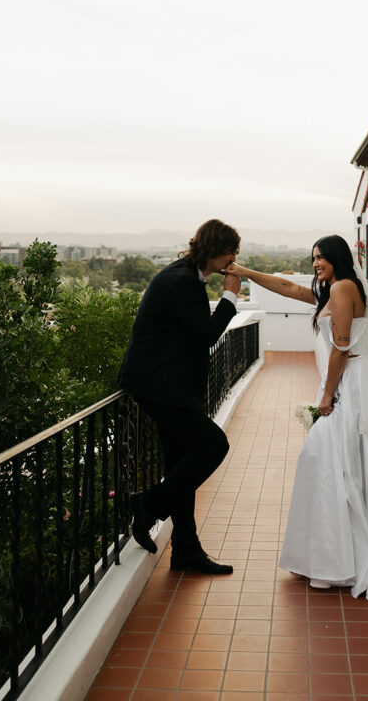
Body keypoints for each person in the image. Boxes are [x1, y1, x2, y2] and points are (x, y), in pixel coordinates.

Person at [226, 234, 368, 599]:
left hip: (349, 390)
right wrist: (243, 272)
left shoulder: (342, 289)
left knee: (328, 462)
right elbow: (290, 289)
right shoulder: (334, 290)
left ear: (338, 258)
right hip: (345, 385)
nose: (316, 264)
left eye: (322, 257)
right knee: (330, 464)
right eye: (313, 259)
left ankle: (337, 560)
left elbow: (341, 345)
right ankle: (323, 557)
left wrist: (327, 394)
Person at [119, 218, 241, 573]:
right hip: (159, 388)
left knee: (179, 466)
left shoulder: (187, 275)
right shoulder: (181, 281)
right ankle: (146, 505)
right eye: (231, 251)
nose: (234, 258)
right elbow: (205, 334)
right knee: (213, 445)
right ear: (216, 252)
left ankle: (186, 550)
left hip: (170, 386)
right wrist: (231, 295)